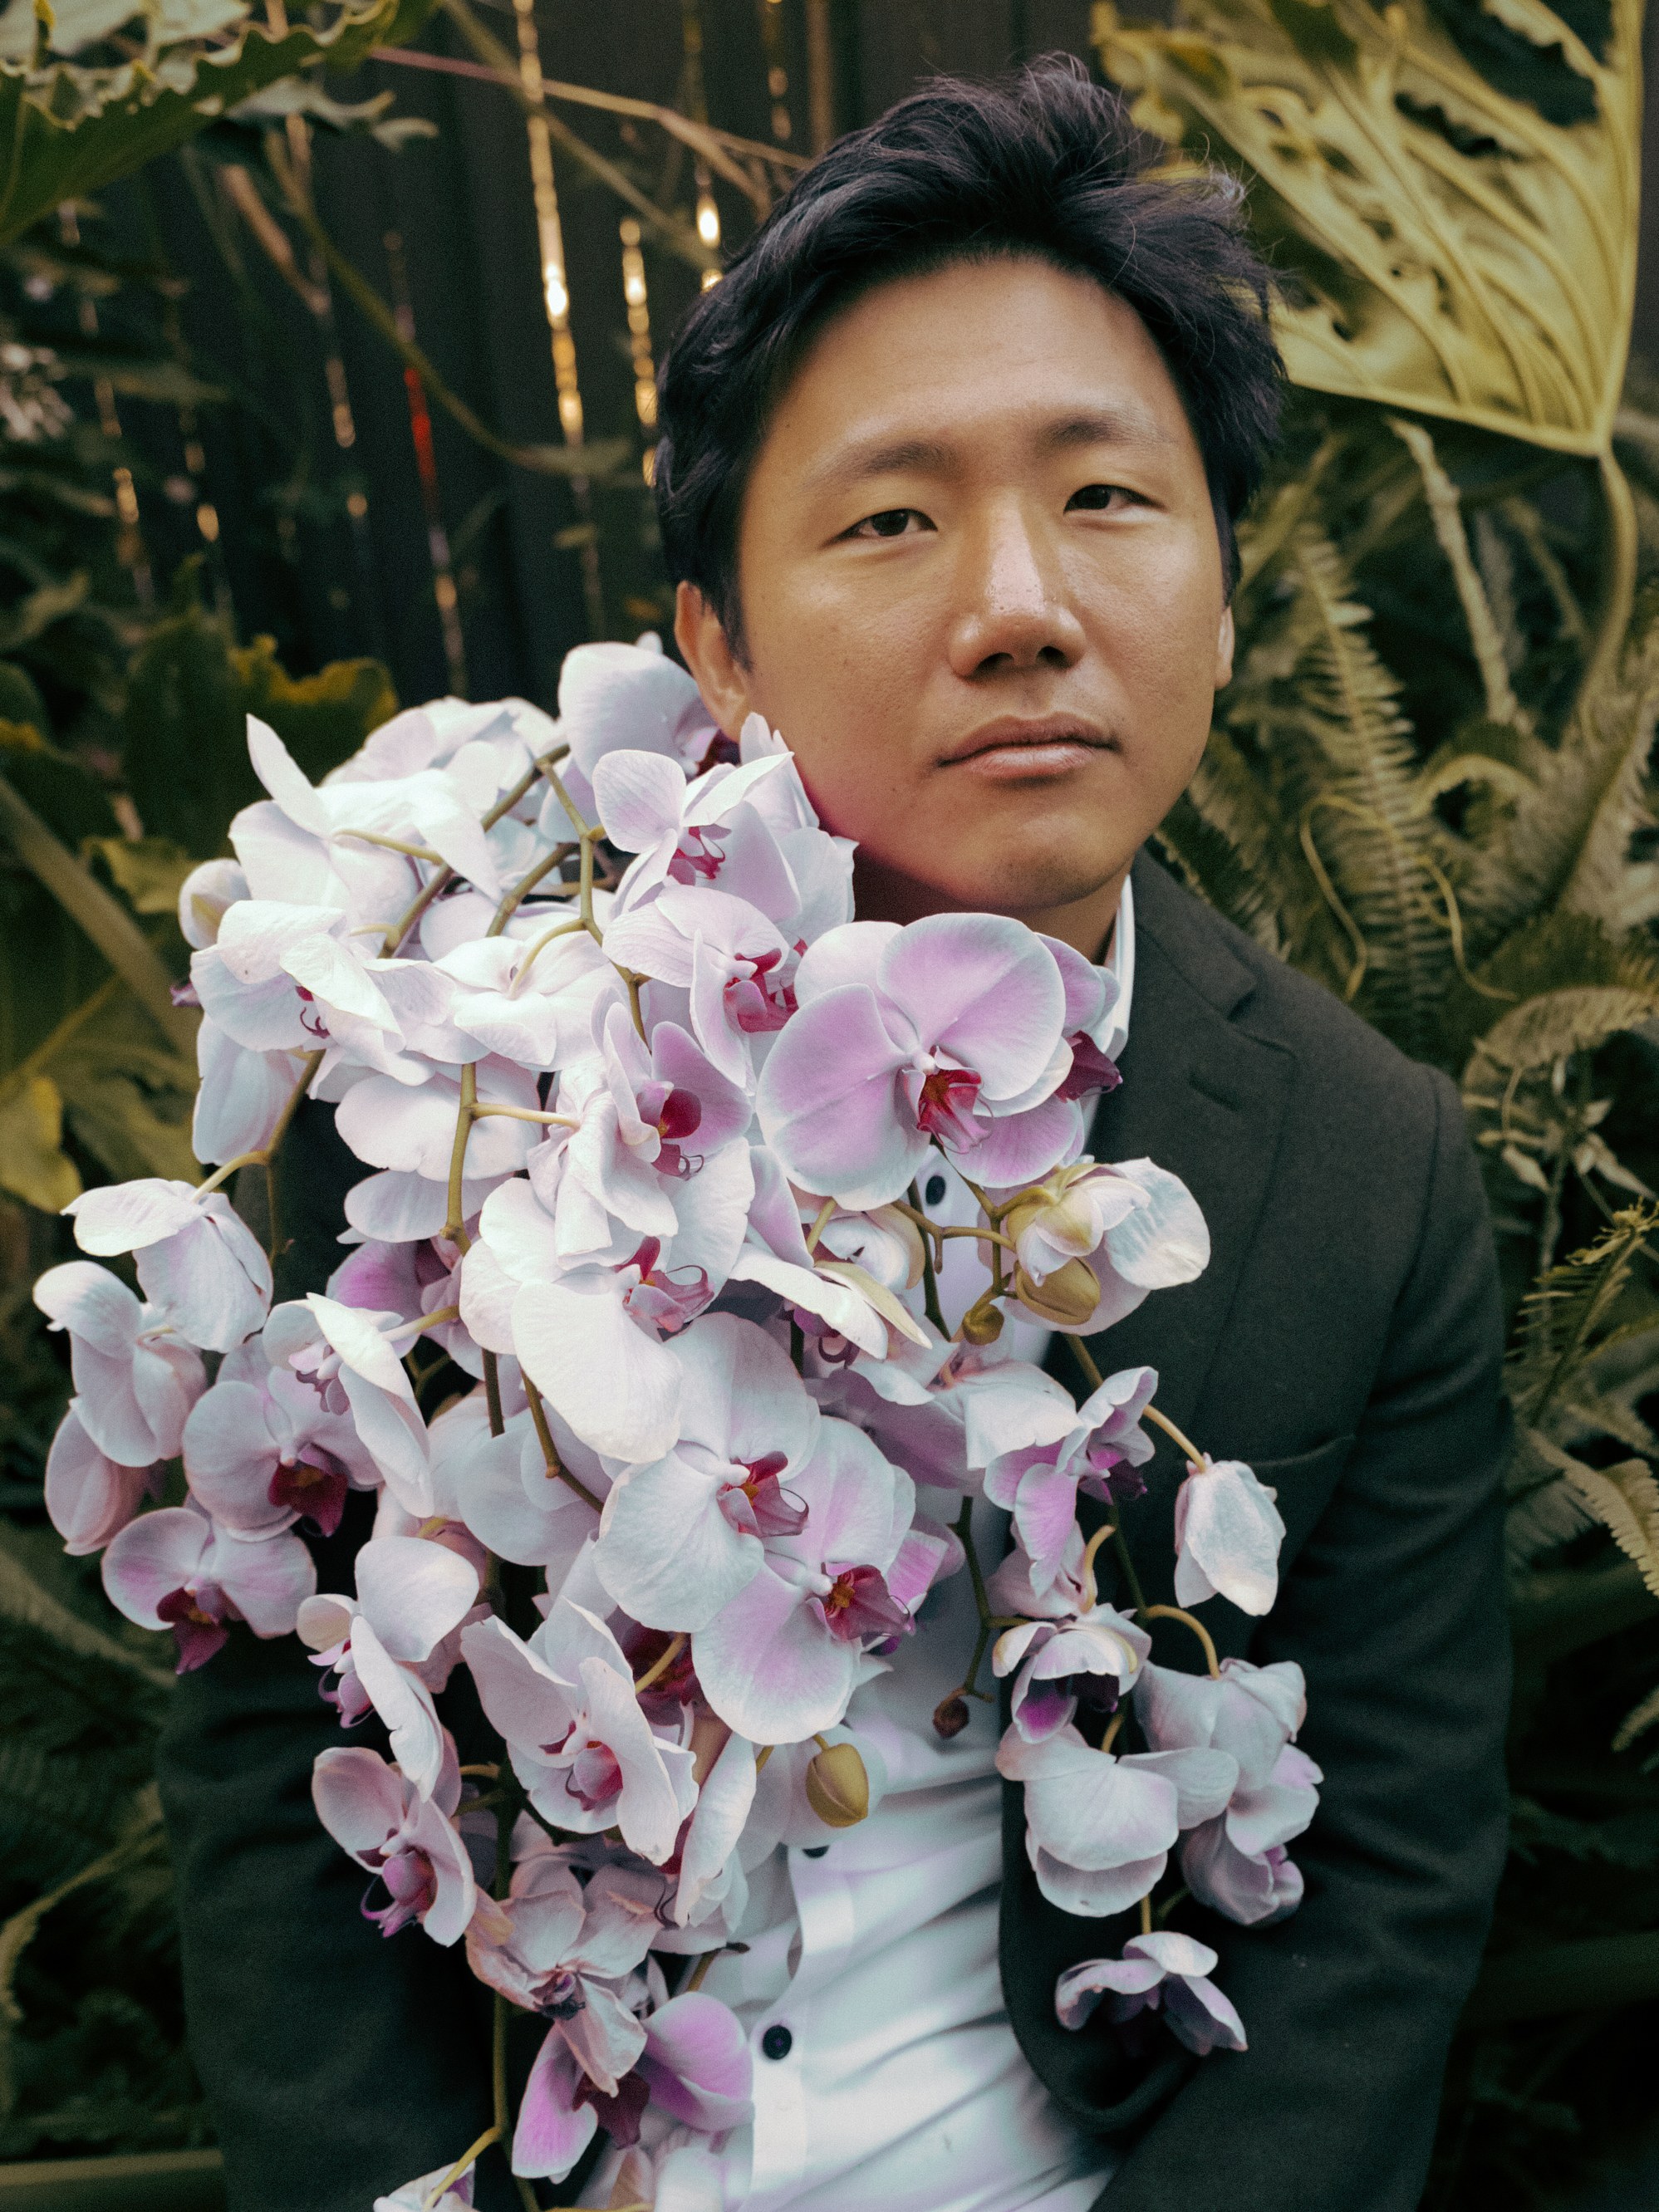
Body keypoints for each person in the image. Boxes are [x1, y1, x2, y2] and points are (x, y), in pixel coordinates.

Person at [156, 58, 1510, 2212]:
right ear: (720, 645)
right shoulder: (449, 1075)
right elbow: (275, 1783)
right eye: (893, 519)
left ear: (1229, 596)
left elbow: (1390, 1882)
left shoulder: (1363, 1167)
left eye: (1109, 496)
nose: (1020, 605)